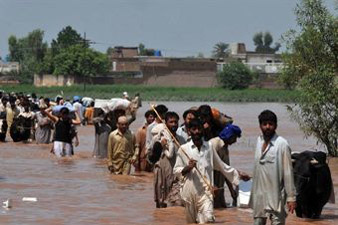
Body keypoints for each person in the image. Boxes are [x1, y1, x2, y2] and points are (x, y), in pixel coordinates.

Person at [174, 118, 250, 224]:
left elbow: (221, 165)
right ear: (189, 131)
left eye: (199, 129)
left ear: (202, 130)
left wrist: (239, 174)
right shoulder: (183, 149)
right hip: (189, 193)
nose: (196, 132)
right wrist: (188, 167)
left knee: (208, 219)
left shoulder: (209, 147)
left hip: (206, 192)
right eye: (194, 129)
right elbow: (176, 171)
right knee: (192, 222)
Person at [250, 110, 296, 225]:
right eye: (264, 124)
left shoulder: (282, 144)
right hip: (259, 197)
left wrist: (291, 197)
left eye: (270, 124)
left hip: (276, 197)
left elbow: (288, 173)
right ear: (260, 125)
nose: (267, 127)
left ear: (276, 125)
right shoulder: (258, 141)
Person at [153, 111, 185, 208]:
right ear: (165, 123)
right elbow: (152, 157)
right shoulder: (158, 138)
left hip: (176, 177)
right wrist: (160, 145)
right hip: (162, 176)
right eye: (171, 122)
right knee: (161, 204)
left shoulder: (181, 140)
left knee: (177, 204)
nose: (174, 124)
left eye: (176, 122)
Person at [210, 124, 242, 208]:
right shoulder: (214, 144)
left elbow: (227, 171)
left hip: (220, 188)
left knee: (222, 210)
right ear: (230, 135)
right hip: (212, 187)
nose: (235, 141)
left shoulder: (225, 149)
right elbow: (206, 165)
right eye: (235, 138)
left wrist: (232, 191)